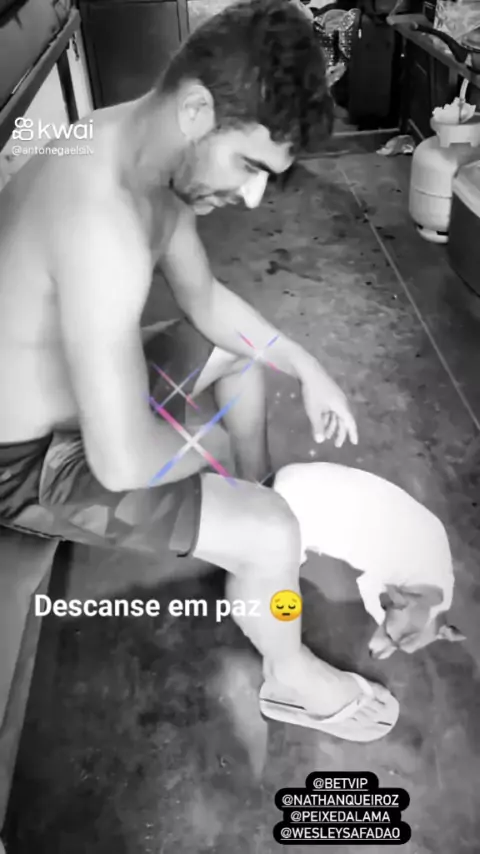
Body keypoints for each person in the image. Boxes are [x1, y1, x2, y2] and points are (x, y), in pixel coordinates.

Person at [0, 0, 398, 740]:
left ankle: (251, 535)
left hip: (82, 397)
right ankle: (287, 673)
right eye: (249, 166)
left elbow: (206, 299)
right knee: (270, 528)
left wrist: (305, 365)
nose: (252, 197)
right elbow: (122, 462)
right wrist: (206, 461)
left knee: (240, 361)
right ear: (195, 110)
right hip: (29, 464)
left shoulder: (138, 144)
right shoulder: (102, 224)